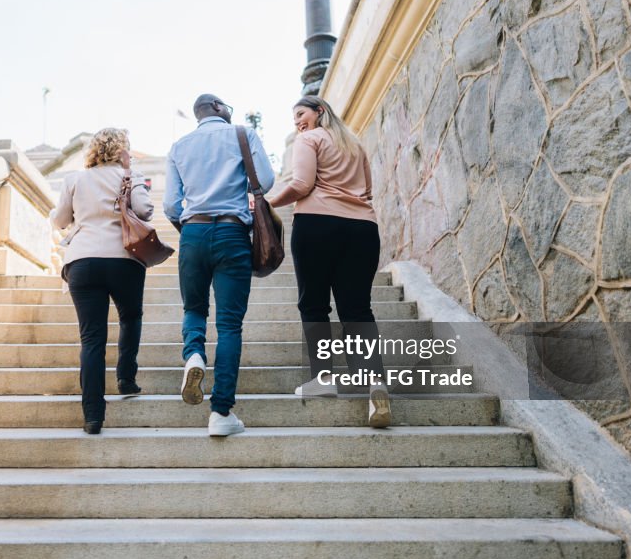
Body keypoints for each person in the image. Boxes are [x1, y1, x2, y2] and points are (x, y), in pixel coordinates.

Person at [267, 95, 392, 428]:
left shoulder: (308, 139)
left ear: (320, 112)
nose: (297, 122)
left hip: (317, 225)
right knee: (357, 308)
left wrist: (266, 204)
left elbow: (301, 184)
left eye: (301, 114)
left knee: (314, 305)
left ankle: (323, 379)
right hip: (363, 228)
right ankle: (374, 382)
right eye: (294, 119)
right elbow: (367, 190)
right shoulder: (355, 146)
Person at [164, 93, 275, 436]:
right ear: (215, 107)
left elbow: (170, 204)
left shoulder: (179, 146)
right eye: (226, 105)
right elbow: (267, 182)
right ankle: (221, 413)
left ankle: (194, 355)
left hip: (193, 232)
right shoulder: (241, 134)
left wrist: (192, 226)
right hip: (231, 231)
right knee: (229, 326)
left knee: (194, 308)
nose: (230, 110)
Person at [50, 128, 153, 434]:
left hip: (83, 261)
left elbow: (60, 221)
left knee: (92, 339)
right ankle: (126, 377)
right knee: (131, 316)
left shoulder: (74, 179)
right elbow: (145, 211)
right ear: (124, 150)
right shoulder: (130, 176)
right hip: (124, 260)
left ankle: (93, 415)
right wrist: (129, 174)